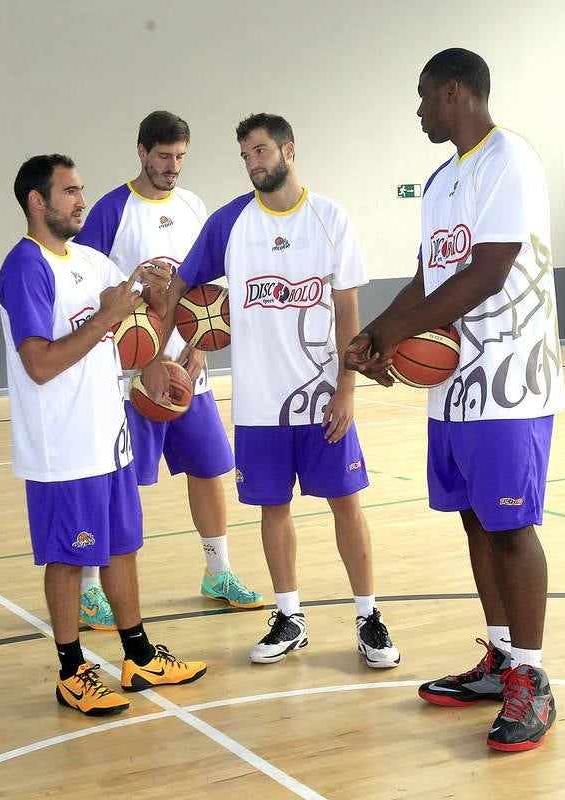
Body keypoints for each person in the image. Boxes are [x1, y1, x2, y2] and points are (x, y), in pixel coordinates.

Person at [346, 49, 565, 751]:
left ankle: (533, 678)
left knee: (508, 526)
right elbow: (429, 275)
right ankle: (502, 657)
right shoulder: (442, 180)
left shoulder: (511, 161)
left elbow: (491, 270)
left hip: (510, 380)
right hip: (455, 387)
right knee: (475, 522)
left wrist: (399, 330)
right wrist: (376, 335)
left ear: (451, 92)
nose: (416, 111)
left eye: (421, 97)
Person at [158, 113, 400, 668]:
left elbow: (348, 315)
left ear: (289, 149)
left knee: (346, 505)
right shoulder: (229, 224)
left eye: (261, 151)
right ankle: (290, 615)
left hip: (322, 399)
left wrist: (347, 391)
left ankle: (369, 616)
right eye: (245, 155)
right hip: (260, 403)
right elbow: (180, 285)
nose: (253, 163)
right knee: (272, 508)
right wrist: (160, 352)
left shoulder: (330, 218)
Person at [0, 154, 207, 715]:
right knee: (69, 558)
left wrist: (160, 302)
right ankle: (72, 670)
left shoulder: (91, 261)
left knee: (121, 546)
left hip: (108, 435)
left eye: (82, 189)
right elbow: (39, 363)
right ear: (37, 202)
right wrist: (104, 320)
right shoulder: (25, 267)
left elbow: (137, 334)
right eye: (69, 191)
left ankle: (138, 656)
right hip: (60, 446)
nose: (81, 200)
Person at [75, 111, 263, 630]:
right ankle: (92, 589)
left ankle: (217, 573)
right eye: (164, 157)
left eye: (180, 157)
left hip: (188, 370)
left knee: (208, 470)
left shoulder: (193, 205)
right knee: (118, 484)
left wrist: (200, 343)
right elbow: (96, 293)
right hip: (130, 376)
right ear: (141, 152)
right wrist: (151, 358)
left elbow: (199, 286)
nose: (173, 166)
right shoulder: (112, 211)